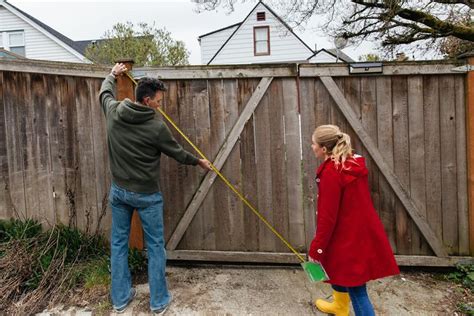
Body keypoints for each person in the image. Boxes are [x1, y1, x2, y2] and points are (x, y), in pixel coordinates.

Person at [99, 63, 212, 314]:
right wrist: (199, 162)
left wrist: (112, 75)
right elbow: (177, 153)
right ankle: (158, 302)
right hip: (147, 196)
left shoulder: (114, 112)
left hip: (119, 192)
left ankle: (120, 300)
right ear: (147, 100)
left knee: (118, 244)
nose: (161, 105)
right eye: (159, 101)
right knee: (156, 247)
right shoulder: (156, 127)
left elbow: (104, 93)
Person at [308, 124, 399, 316]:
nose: (312, 147)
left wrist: (317, 249)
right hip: (356, 232)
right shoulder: (350, 163)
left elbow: (327, 216)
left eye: (313, 143)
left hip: (349, 237)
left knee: (357, 288)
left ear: (324, 149)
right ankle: (340, 306)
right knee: (339, 268)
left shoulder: (332, 173)